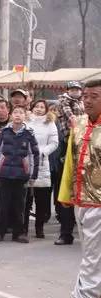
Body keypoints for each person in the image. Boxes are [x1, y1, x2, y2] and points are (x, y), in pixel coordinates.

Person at [58, 79, 101, 298]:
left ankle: (83, 297)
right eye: (85, 96)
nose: (88, 100)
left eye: (94, 96)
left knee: (92, 253)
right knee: (91, 250)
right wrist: (66, 193)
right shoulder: (80, 124)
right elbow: (71, 161)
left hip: (99, 202)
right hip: (81, 200)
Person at [0, 106, 40, 243]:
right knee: (2, 206)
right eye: (15, 112)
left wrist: (32, 175)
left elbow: (34, 155)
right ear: (11, 115)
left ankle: (19, 233)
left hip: (21, 175)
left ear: (25, 116)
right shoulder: (4, 132)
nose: (18, 115)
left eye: (21, 113)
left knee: (20, 207)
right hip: (4, 174)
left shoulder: (29, 134)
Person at [54, 81, 84, 246]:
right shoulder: (65, 103)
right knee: (67, 192)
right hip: (69, 147)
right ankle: (66, 233)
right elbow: (71, 118)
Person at [24, 100, 58, 239]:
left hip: (42, 162)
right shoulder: (26, 121)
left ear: (46, 109)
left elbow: (54, 142)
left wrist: (43, 152)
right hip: (25, 161)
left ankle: (39, 228)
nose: (38, 109)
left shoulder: (50, 123)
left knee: (42, 199)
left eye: (41, 107)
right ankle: (23, 228)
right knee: (25, 198)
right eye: (36, 106)